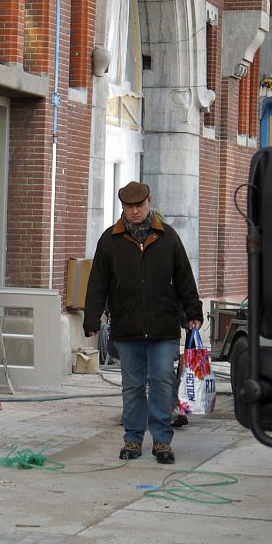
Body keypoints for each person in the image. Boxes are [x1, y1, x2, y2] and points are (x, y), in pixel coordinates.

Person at [83, 181, 202, 465]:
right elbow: (97, 282)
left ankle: (162, 440)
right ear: (123, 207)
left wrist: (193, 312)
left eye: (140, 206)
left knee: (161, 381)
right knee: (133, 384)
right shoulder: (109, 241)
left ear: (150, 202)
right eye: (129, 207)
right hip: (128, 326)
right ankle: (133, 439)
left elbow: (185, 277)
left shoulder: (168, 237)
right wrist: (92, 318)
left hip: (163, 327)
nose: (135, 212)